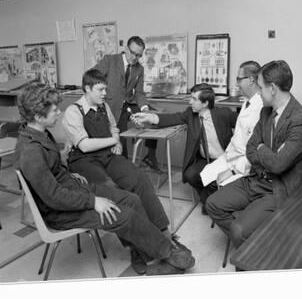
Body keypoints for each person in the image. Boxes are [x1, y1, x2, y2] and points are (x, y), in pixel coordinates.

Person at [14, 82, 195, 277]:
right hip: (60, 211)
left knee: (131, 199)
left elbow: (52, 171)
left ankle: (149, 249)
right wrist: (93, 202)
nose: (59, 112)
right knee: (124, 215)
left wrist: (67, 173)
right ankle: (162, 254)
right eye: (54, 110)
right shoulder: (30, 151)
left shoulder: (39, 132)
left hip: (73, 189)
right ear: (39, 116)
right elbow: (53, 197)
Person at [61, 70, 194, 274]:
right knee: (115, 192)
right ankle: (138, 248)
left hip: (107, 155)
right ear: (87, 88)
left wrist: (116, 142)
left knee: (140, 179)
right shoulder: (73, 111)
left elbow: (113, 127)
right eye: (100, 89)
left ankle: (163, 234)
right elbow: (85, 145)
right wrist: (114, 141)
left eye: (105, 88)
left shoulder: (103, 106)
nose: (105, 93)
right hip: (84, 161)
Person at [205, 60, 302, 249]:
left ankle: (252, 249)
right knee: (213, 204)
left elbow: (279, 164)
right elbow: (251, 148)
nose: (258, 92)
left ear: (272, 88)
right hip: (257, 179)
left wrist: (262, 149)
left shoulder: (301, 121)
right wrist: (265, 152)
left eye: (261, 87)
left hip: (279, 188)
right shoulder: (266, 112)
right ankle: (255, 245)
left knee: (240, 230)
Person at [131, 83, 237, 206]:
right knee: (190, 174)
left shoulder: (224, 113)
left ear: (205, 103)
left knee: (215, 198)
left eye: (194, 99)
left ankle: (211, 198)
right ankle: (209, 197)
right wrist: (148, 117)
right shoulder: (190, 114)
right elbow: (171, 118)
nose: (190, 102)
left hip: (225, 160)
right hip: (206, 160)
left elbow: (245, 124)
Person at [95, 36, 160, 170]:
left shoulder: (139, 69)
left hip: (128, 103)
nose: (135, 57)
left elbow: (140, 93)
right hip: (111, 106)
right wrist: (100, 99)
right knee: (121, 140)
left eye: (139, 55)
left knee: (155, 117)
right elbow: (92, 79)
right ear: (126, 49)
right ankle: (123, 170)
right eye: (133, 53)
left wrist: (145, 109)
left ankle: (150, 156)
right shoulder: (110, 60)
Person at [200, 61, 264, 192]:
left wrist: (233, 171)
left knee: (215, 193)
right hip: (231, 157)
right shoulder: (247, 102)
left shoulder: (261, 108)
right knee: (203, 176)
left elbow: (254, 151)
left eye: (239, 79)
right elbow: (238, 137)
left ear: (251, 80)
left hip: (243, 165)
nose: (236, 84)